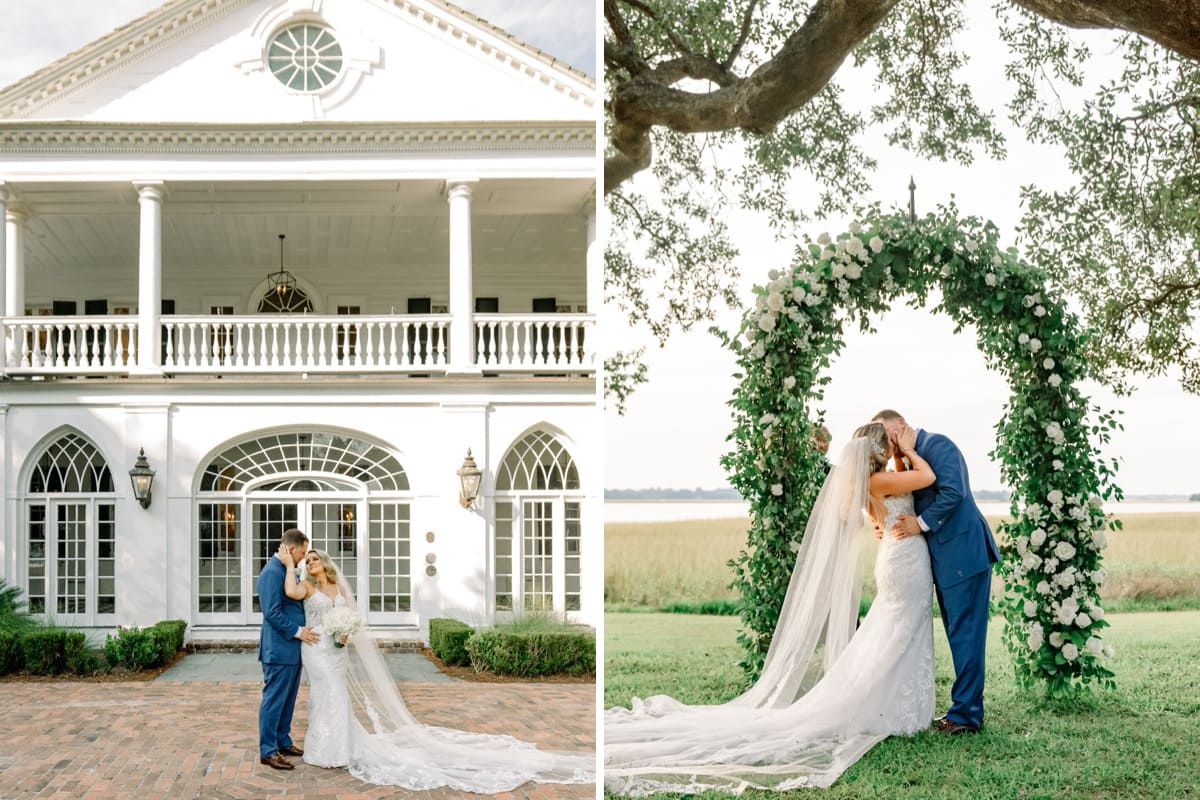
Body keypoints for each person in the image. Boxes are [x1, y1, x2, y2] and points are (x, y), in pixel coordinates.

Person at [605, 422, 938, 793]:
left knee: (889, 635)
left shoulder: (870, 485)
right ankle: (888, 707)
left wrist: (895, 455)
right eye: (890, 443)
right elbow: (926, 477)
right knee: (893, 633)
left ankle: (893, 703)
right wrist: (907, 451)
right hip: (903, 564)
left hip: (899, 560)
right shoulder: (878, 484)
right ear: (880, 451)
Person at [275, 546, 593, 791]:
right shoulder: (306, 587)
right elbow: (290, 592)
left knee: (337, 697)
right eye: (309, 560)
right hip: (316, 649)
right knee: (324, 696)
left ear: (326, 564)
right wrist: (291, 566)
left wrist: (345, 632)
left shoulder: (340, 589)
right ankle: (324, 749)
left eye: (316, 559)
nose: (313, 562)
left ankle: (340, 748)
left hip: (337, 650)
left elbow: (350, 618)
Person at [872, 409, 1001, 734]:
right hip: (943, 561)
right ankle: (965, 708)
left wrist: (920, 524)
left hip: (964, 554)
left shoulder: (938, 446)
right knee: (959, 634)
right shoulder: (907, 459)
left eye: (889, 437)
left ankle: (966, 715)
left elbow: (953, 492)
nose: (887, 445)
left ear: (901, 426)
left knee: (967, 635)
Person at [257, 528, 320, 771]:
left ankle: (282, 741)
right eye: (303, 553)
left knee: (288, 700)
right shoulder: (272, 572)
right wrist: (298, 631)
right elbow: (271, 612)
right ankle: (268, 750)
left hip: (293, 650)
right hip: (279, 649)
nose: (304, 558)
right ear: (291, 549)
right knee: (274, 700)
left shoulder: (286, 569)